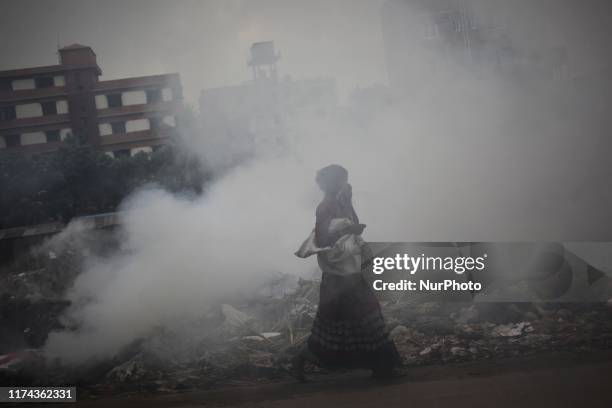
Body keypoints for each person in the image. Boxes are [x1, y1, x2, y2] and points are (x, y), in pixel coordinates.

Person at [293, 164, 401, 380]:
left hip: (352, 272)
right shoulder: (324, 207)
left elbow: (354, 225)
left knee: (367, 316)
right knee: (339, 323)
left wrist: (350, 210)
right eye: (342, 180)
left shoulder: (342, 202)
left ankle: (382, 367)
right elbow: (323, 240)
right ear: (331, 183)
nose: (345, 184)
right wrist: (347, 229)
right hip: (338, 278)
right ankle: (302, 359)